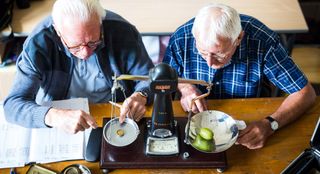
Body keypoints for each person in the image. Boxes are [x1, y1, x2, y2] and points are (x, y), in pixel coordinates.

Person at [163, 3, 316, 149]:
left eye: (219, 54)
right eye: (202, 52)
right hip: (195, 119)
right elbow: (164, 77)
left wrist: (270, 124)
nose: (210, 62)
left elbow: (305, 93)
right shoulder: (182, 37)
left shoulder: (262, 41)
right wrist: (184, 87)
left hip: (248, 120)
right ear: (194, 37)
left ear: (239, 38)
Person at [4, 0, 154, 134]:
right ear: (58, 31)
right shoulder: (38, 44)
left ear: (100, 24)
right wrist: (53, 116)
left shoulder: (122, 32)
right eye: (75, 46)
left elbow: (149, 78)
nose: (85, 53)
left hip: (113, 110)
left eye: (93, 42)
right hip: (61, 112)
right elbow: (12, 106)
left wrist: (141, 95)